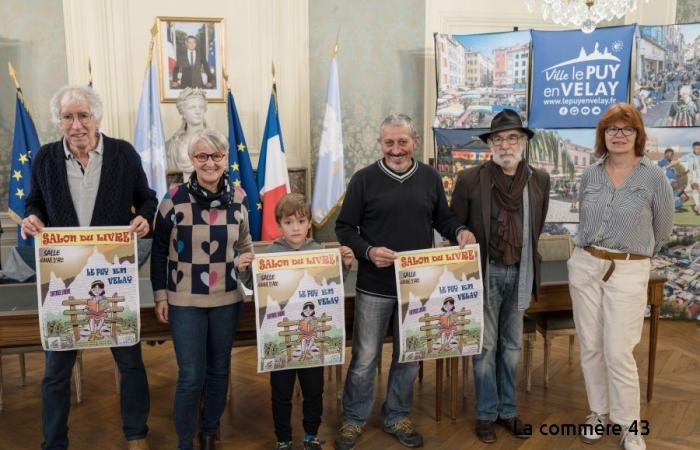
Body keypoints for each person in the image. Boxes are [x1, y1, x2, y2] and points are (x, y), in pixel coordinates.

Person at [21, 85, 156, 450]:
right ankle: (53, 442)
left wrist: (144, 217)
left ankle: (135, 435)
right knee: (54, 373)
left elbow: (147, 198)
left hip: (111, 275)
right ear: (59, 121)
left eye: (84, 115)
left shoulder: (123, 154)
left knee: (130, 361)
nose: (76, 125)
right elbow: (35, 204)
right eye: (68, 117)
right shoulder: (45, 159)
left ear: (96, 117)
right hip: (64, 278)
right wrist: (31, 219)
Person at [334, 113, 474, 450]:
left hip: (419, 289)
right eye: (389, 142)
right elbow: (344, 228)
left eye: (402, 141)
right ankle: (354, 419)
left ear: (414, 142)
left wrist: (459, 231)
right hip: (374, 286)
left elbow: (443, 218)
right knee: (365, 358)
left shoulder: (429, 177)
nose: (396, 149)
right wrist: (367, 251)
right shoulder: (363, 179)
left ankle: (396, 415)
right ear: (380, 144)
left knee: (409, 356)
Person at [568, 103, 673, 450]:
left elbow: (663, 229)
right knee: (592, 347)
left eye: (626, 129)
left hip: (628, 269)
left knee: (618, 351)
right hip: (586, 264)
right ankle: (597, 412)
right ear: (602, 135)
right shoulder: (591, 174)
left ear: (638, 135)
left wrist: (633, 255)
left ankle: (629, 426)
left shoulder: (653, 176)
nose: (619, 135)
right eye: (611, 129)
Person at [450, 108, 549, 444]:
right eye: (499, 138)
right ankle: (485, 414)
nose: (506, 144)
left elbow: (536, 225)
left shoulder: (540, 180)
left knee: (510, 348)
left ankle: (508, 411)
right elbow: (455, 225)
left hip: (521, 272)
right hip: (485, 273)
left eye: (512, 137)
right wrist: (462, 231)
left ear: (522, 142)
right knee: (485, 346)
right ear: (490, 144)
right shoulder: (469, 179)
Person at [151, 128, 253, 450]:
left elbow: (245, 243)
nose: (209, 163)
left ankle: (209, 431)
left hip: (227, 298)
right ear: (192, 160)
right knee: (191, 375)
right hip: (184, 301)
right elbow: (157, 250)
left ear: (226, 159)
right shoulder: (173, 198)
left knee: (219, 370)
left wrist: (246, 261)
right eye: (202, 156)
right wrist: (160, 294)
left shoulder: (239, 196)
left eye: (216, 156)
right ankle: (185, 441)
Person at [238, 193, 354, 450]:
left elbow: (330, 288)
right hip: (281, 339)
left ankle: (311, 435)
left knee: (314, 390)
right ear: (279, 224)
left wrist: (344, 265)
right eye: (288, 222)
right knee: (281, 394)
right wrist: (244, 269)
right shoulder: (270, 253)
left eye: (301, 221)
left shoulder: (319, 251)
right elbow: (255, 288)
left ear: (309, 223)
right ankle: (283, 439)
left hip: (312, 341)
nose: (295, 228)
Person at [166, 87, 208, 180]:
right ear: (183, 112)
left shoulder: (216, 141)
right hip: (181, 189)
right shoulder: (173, 145)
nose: (197, 111)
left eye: (201, 107)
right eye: (192, 107)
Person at [678, 141, 700, 214]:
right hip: (693, 176)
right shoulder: (688, 156)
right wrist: (666, 166)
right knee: (694, 187)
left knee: (693, 189)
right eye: (696, 148)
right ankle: (697, 206)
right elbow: (691, 168)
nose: (697, 150)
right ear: (693, 148)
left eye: (699, 148)